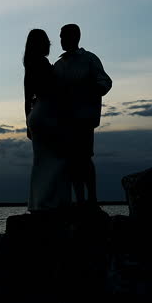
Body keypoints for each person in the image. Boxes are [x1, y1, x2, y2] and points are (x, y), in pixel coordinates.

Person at [52, 24, 112, 205]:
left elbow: (105, 82)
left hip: (84, 117)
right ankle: (79, 200)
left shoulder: (89, 59)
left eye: (64, 36)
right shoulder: (58, 65)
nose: (61, 40)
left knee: (84, 158)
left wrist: (89, 91)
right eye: (60, 36)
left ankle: (92, 199)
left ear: (75, 37)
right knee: (71, 161)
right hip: (64, 120)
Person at [24, 29, 71, 211]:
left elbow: (27, 97)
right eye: (47, 41)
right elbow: (55, 90)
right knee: (60, 158)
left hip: (35, 115)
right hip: (48, 112)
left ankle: (39, 203)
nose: (50, 43)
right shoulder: (43, 63)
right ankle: (53, 202)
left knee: (41, 161)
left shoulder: (29, 64)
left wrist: (27, 123)